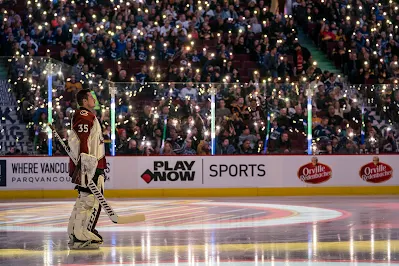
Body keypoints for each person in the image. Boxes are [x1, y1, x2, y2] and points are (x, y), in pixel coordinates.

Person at [67, 89, 107, 249]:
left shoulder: (86, 116)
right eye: (91, 96)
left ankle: (75, 232)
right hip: (90, 165)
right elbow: (82, 141)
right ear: (84, 100)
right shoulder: (84, 116)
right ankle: (83, 234)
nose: (94, 98)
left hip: (90, 164)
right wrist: (85, 165)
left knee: (84, 199)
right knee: (90, 200)